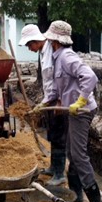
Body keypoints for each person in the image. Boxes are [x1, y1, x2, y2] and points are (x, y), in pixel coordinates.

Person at [34, 20, 102, 202]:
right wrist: (43, 103)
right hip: (73, 111)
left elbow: (89, 77)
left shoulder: (66, 57)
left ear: (54, 40)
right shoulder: (57, 59)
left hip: (82, 111)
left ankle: (97, 201)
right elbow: (57, 90)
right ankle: (78, 193)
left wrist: (81, 99)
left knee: (78, 154)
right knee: (72, 152)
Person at [18, 24, 68, 186]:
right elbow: (48, 81)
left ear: (35, 40)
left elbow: (62, 78)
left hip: (60, 101)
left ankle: (60, 174)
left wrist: (60, 100)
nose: (29, 48)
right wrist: (44, 102)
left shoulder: (54, 50)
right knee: (52, 134)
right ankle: (54, 167)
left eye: (29, 45)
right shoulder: (43, 52)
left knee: (59, 136)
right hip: (51, 99)